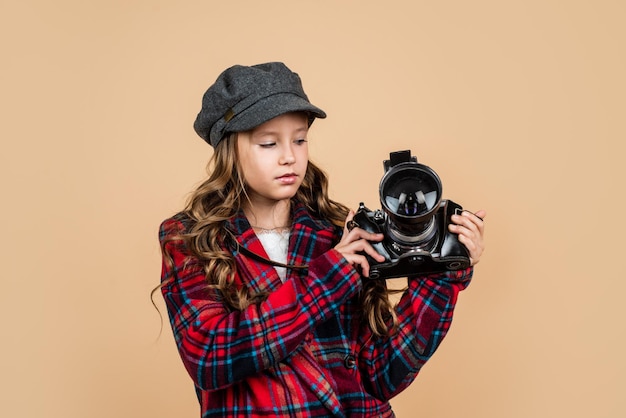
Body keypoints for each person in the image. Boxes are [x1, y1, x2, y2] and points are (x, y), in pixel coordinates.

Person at [158, 62, 486, 418]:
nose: (289, 156)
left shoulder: (336, 233)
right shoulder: (190, 239)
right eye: (269, 143)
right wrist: (332, 275)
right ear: (229, 150)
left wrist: (441, 275)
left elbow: (383, 375)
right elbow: (210, 358)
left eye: (300, 140)